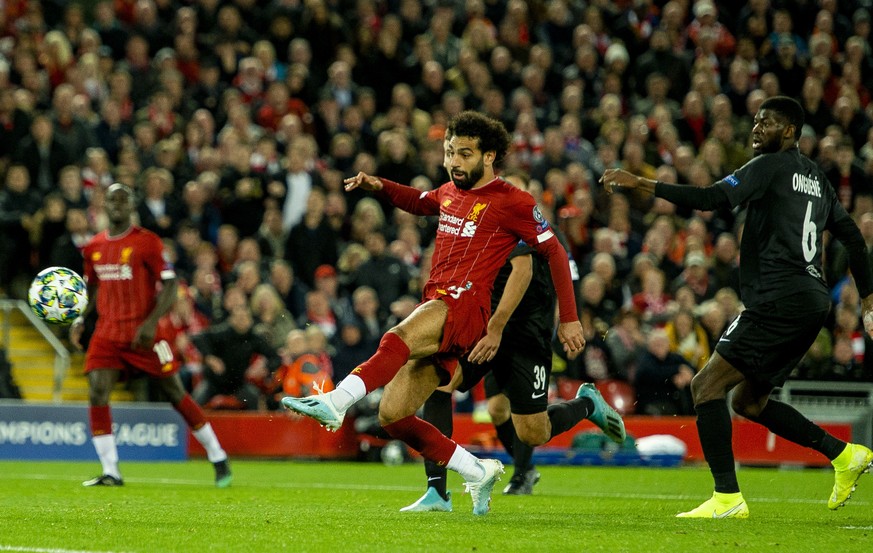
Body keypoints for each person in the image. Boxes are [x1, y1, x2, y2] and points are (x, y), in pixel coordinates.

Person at [283, 111, 597, 516]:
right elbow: (420, 201)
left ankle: (337, 401)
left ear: (489, 157)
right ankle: (476, 469)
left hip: (465, 305)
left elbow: (552, 251)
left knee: (396, 337)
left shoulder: (514, 201)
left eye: (464, 154)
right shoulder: (450, 192)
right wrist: (380, 186)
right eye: (449, 152)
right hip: (442, 302)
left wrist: (569, 317)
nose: (453, 161)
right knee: (393, 415)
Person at [601, 96, 873, 518]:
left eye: (767, 123)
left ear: (789, 132)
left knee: (705, 387)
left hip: (778, 298)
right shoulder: (817, 179)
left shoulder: (768, 166)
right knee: (749, 402)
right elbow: (854, 239)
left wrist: (642, 183)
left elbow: (712, 198)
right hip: (812, 301)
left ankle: (726, 498)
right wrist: (869, 304)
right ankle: (843, 455)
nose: (756, 129)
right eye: (756, 122)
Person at [401, 170, 622, 513]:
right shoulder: (483, 218)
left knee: (534, 430)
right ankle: (437, 491)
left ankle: (586, 405)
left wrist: (567, 320)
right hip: (486, 327)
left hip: (522, 335)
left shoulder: (532, 227)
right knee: (443, 386)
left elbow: (531, 274)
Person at [70, 183, 232, 488]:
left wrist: (150, 322)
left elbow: (170, 286)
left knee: (174, 393)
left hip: (149, 336)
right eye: (112, 200)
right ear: (104, 205)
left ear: (132, 206)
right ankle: (111, 471)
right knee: (96, 390)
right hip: (108, 333)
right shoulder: (93, 247)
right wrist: (80, 317)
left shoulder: (148, 243)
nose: (117, 205)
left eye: (123, 199)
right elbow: (91, 287)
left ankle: (217, 455)